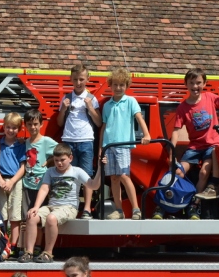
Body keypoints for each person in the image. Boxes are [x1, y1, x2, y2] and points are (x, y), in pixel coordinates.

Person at [171, 68, 219, 218]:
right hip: (195, 146)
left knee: (203, 172)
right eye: (192, 83)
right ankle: (171, 203)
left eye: (199, 83)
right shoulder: (183, 107)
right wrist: (171, 148)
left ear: (204, 83)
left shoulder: (209, 97)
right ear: (186, 84)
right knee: (178, 172)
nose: (195, 86)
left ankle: (194, 205)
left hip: (212, 144)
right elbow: (176, 130)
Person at [20, 143, 102, 263]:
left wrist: (100, 168)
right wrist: (36, 207)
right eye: (56, 160)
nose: (59, 163)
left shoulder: (77, 171)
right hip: (51, 206)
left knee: (51, 218)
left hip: (69, 207)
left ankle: (48, 253)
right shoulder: (50, 171)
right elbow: (44, 188)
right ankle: (29, 252)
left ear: (70, 158)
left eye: (62, 160)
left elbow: (93, 185)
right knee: (31, 217)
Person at [99, 67, 151, 220]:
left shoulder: (130, 101)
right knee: (114, 178)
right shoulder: (107, 105)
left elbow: (139, 118)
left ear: (126, 86)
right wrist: (101, 148)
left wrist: (147, 134)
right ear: (110, 85)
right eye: (115, 84)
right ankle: (119, 210)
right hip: (109, 146)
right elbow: (103, 127)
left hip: (123, 145)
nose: (118, 88)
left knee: (124, 175)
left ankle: (135, 209)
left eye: (121, 85)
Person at [57, 64, 102, 219]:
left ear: (87, 79)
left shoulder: (92, 99)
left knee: (87, 175)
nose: (78, 82)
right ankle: (71, 206)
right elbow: (59, 123)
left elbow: (98, 122)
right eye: (75, 79)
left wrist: (90, 107)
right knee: (69, 175)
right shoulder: (66, 97)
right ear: (70, 79)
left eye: (81, 79)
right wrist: (63, 109)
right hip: (69, 140)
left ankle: (87, 208)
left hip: (86, 140)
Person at [21, 109, 57, 258]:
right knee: (27, 218)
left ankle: (37, 247)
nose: (33, 127)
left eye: (35, 124)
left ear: (41, 124)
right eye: (29, 124)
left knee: (40, 219)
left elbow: (61, 151)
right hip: (27, 184)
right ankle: (25, 249)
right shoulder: (26, 143)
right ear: (25, 126)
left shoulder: (47, 141)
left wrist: (48, 162)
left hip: (42, 186)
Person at [0, 112, 26, 257]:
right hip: (0, 180)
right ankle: (3, 242)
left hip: (16, 180)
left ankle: (15, 245)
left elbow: (23, 166)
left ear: (18, 129)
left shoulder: (20, 145)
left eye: (14, 128)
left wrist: (12, 181)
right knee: (2, 213)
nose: (11, 130)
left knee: (15, 214)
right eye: (8, 127)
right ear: (4, 127)